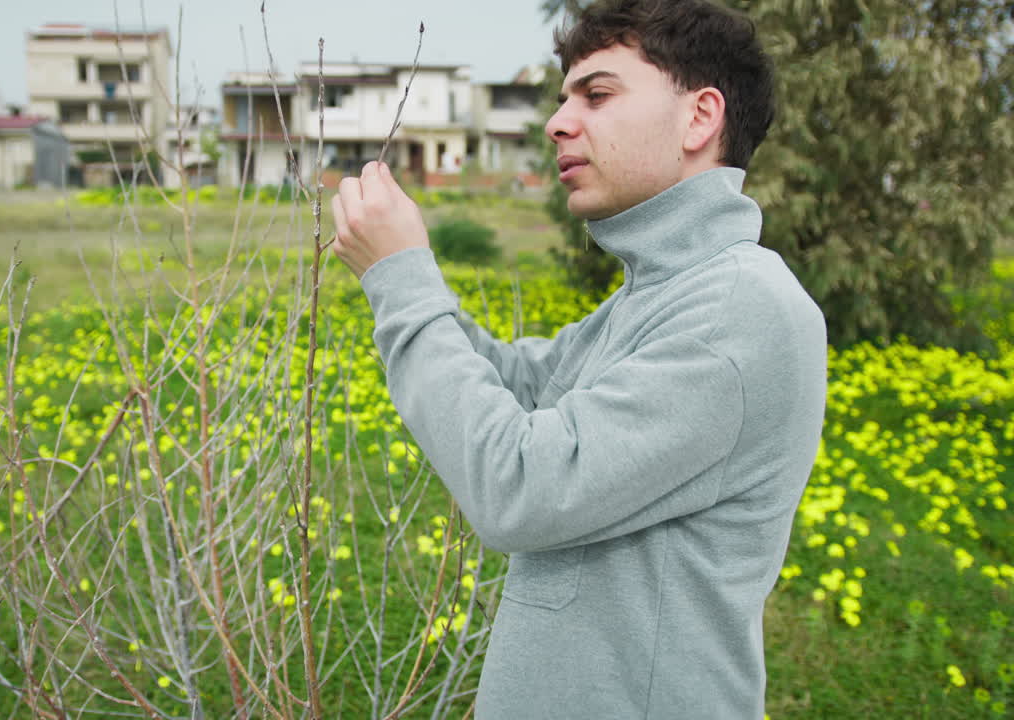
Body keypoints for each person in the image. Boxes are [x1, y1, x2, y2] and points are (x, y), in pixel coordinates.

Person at [329, 0, 827, 717]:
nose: (558, 123)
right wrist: (403, 270)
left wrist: (402, 279)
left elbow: (520, 489)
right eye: (564, 99)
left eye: (597, 94)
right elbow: (524, 384)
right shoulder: (665, 289)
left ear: (700, 117)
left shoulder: (737, 310)